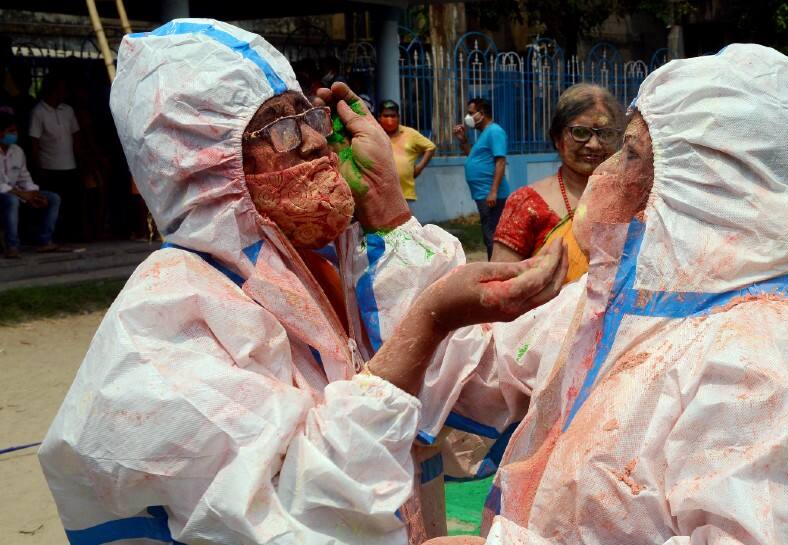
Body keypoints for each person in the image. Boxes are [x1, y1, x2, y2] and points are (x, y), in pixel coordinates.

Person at [38, 19, 566, 545]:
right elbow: (301, 512)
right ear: (200, 164)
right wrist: (428, 323)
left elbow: (468, 386)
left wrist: (387, 209)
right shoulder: (163, 324)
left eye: (309, 116)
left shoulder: (321, 267)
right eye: (279, 128)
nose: (317, 141)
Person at [421, 44, 788, 545]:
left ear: (706, 186)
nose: (607, 174)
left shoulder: (765, 372)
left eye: (631, 153)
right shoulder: (626, 308)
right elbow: (480, 368)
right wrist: (400, 236)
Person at [492, 84, 622, 282]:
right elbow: (499, 285)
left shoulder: (632, 201)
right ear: (557, 137)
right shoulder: (526, 204)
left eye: (605, 134)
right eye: (580, 132)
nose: (594, 144)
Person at [453, 98, 511, 258]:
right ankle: (494, 266)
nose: (468, 117)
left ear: (482, 114)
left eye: (471, 113)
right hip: (483, 194)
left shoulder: (495, 132)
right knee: (489, 233)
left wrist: (493, 191)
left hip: (492, 195)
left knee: (492, 234)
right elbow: (473, 157)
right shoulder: (485, 134)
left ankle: (496, 268)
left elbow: (500, 162)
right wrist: (463, 140)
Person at [0, 111, 61, 258]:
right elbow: (1, 185)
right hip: (6, 195)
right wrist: (23, 194)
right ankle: (12, 246)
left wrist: (34, 194)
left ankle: (45, 241)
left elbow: (24, 178)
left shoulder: (18, 151)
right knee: (12, 201)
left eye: (15, 131)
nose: (14, 134)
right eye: (11, 131)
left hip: (17, 192)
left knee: (53, 198)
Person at [29, 73, 82, 241]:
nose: (65, 92)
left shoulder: (68, 110)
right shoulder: (38, 111)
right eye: (62, 88)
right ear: (53, 90)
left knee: (71, 204)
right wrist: (38, 168)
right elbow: (34, 142)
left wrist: (80, 161)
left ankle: (70, 236)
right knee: (51, 205)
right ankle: (53, 236)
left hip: (70, 166)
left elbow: (76, 137)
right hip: (49, 167)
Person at [378, 99, 436, 202]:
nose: (389, 119)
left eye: (393, 116)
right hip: (380, 193)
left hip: (405, 194)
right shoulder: (374, 134)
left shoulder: (409, 133)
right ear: (379, 118)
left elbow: (430, 147)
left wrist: (419, 167)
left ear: (399, 117)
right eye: (386, 116)